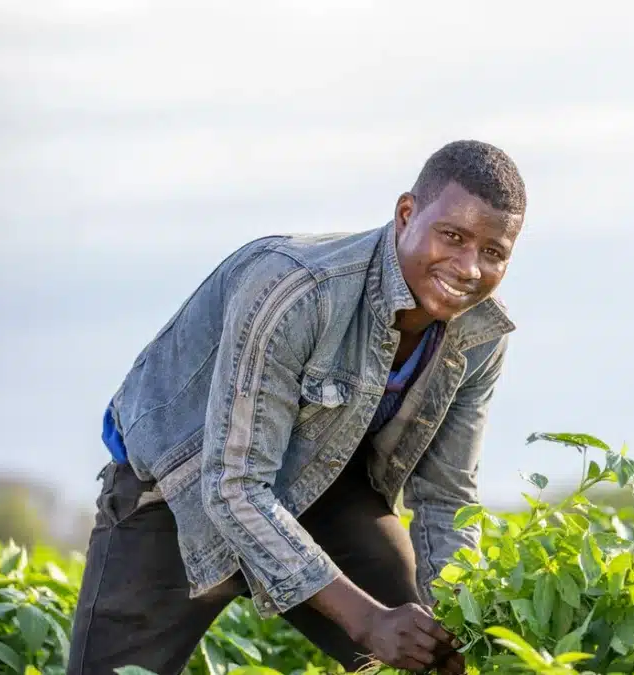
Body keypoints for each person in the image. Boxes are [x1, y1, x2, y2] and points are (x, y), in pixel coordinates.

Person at [66, 139, 527, 675]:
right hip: (177, 492)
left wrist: (461, 617)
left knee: (434, 648)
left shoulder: (480, 333)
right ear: (406, 215)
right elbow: (233, 486)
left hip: (323, 491)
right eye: (453, 236)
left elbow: (448, 496)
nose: (469, 267)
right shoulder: (297, 289)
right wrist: (367, 621)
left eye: (493, 252)